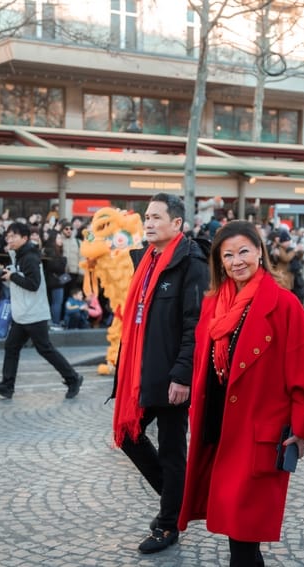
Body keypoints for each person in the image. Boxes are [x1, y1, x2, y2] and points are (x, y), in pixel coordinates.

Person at [178, 220, 304, 566]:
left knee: (244, 539)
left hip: (258, 432)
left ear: (260, 252)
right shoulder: (214, 304)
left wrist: (303, 430)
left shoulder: (284, 305)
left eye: (244, 251)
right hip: (218, 430)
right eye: (227, 255)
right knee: (237, 537)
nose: (236, 261)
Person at [111, 193, 209, 554]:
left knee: (171, 449)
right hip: (142, 369)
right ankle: (177, 501)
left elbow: (194, 324)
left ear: (177, 224)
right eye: (146, 217)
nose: (148, 223)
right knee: (128, 437)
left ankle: (168, 523)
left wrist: (182, 375)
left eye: (156, 217)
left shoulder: (192, 262)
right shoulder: (147, 259)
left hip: (171, 375)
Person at [0, 222, 84, 400]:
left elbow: (33, 285)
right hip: (22, 313)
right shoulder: (17, 255)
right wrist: (6, 275)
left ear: (24, 238)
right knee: (12, 346)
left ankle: (73, 378)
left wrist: (12, 276)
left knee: (45, 349)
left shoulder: (29, 257)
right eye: (8, 236)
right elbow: (19, 280)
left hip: (34, 313)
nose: (10, 239)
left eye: (13, 236)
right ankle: (7, 385)